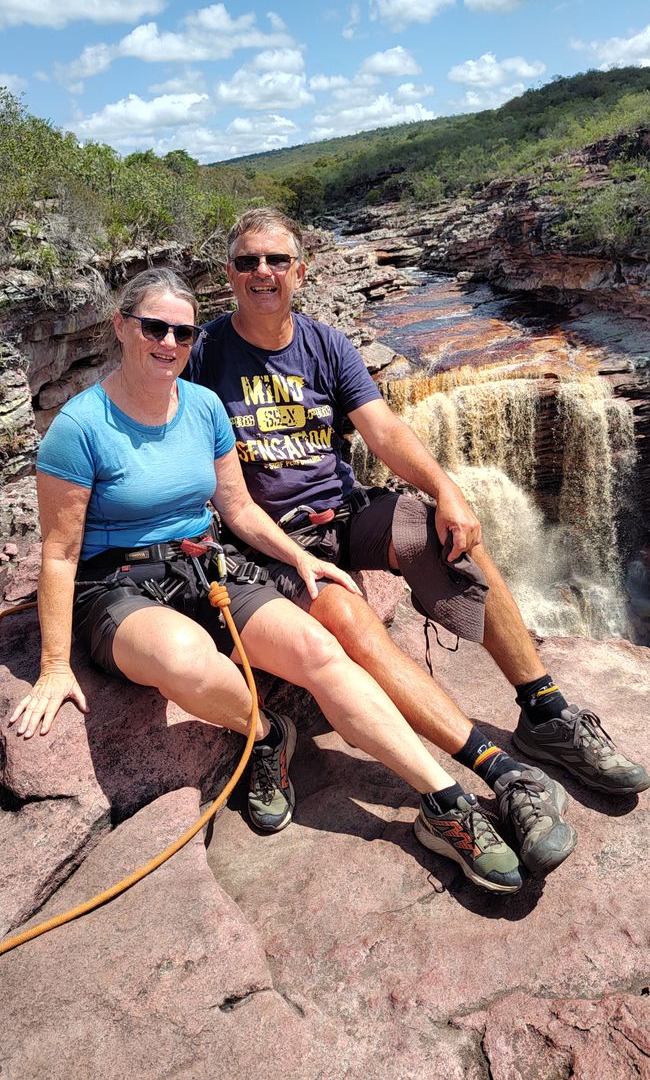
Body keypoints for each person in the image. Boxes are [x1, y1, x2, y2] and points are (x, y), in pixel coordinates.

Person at [10, 268, 528, 897]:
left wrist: (299, 558)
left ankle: (446, 802)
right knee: (183, 658)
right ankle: (264, 733)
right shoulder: (79, 427)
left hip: (207, 564)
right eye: (154, 327)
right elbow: (60, 553)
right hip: (117, 584)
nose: (168, 342)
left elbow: (238, 508)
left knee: (319, 651)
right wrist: (56, 665)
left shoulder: (200, 407)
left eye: (182, 331)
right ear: (122, 328)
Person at [188, 207, 649, 850]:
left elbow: (382, 430)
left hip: (343, 513)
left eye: (276, 260)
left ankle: (545, 710)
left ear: (301, 269)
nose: (262, 272)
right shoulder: (201, 352)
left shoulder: (326, 344)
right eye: (247, 261)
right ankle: (490, 767)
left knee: (454, 537)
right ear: (230, 275)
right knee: (349, 622)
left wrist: (446, 490)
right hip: (268, 540)